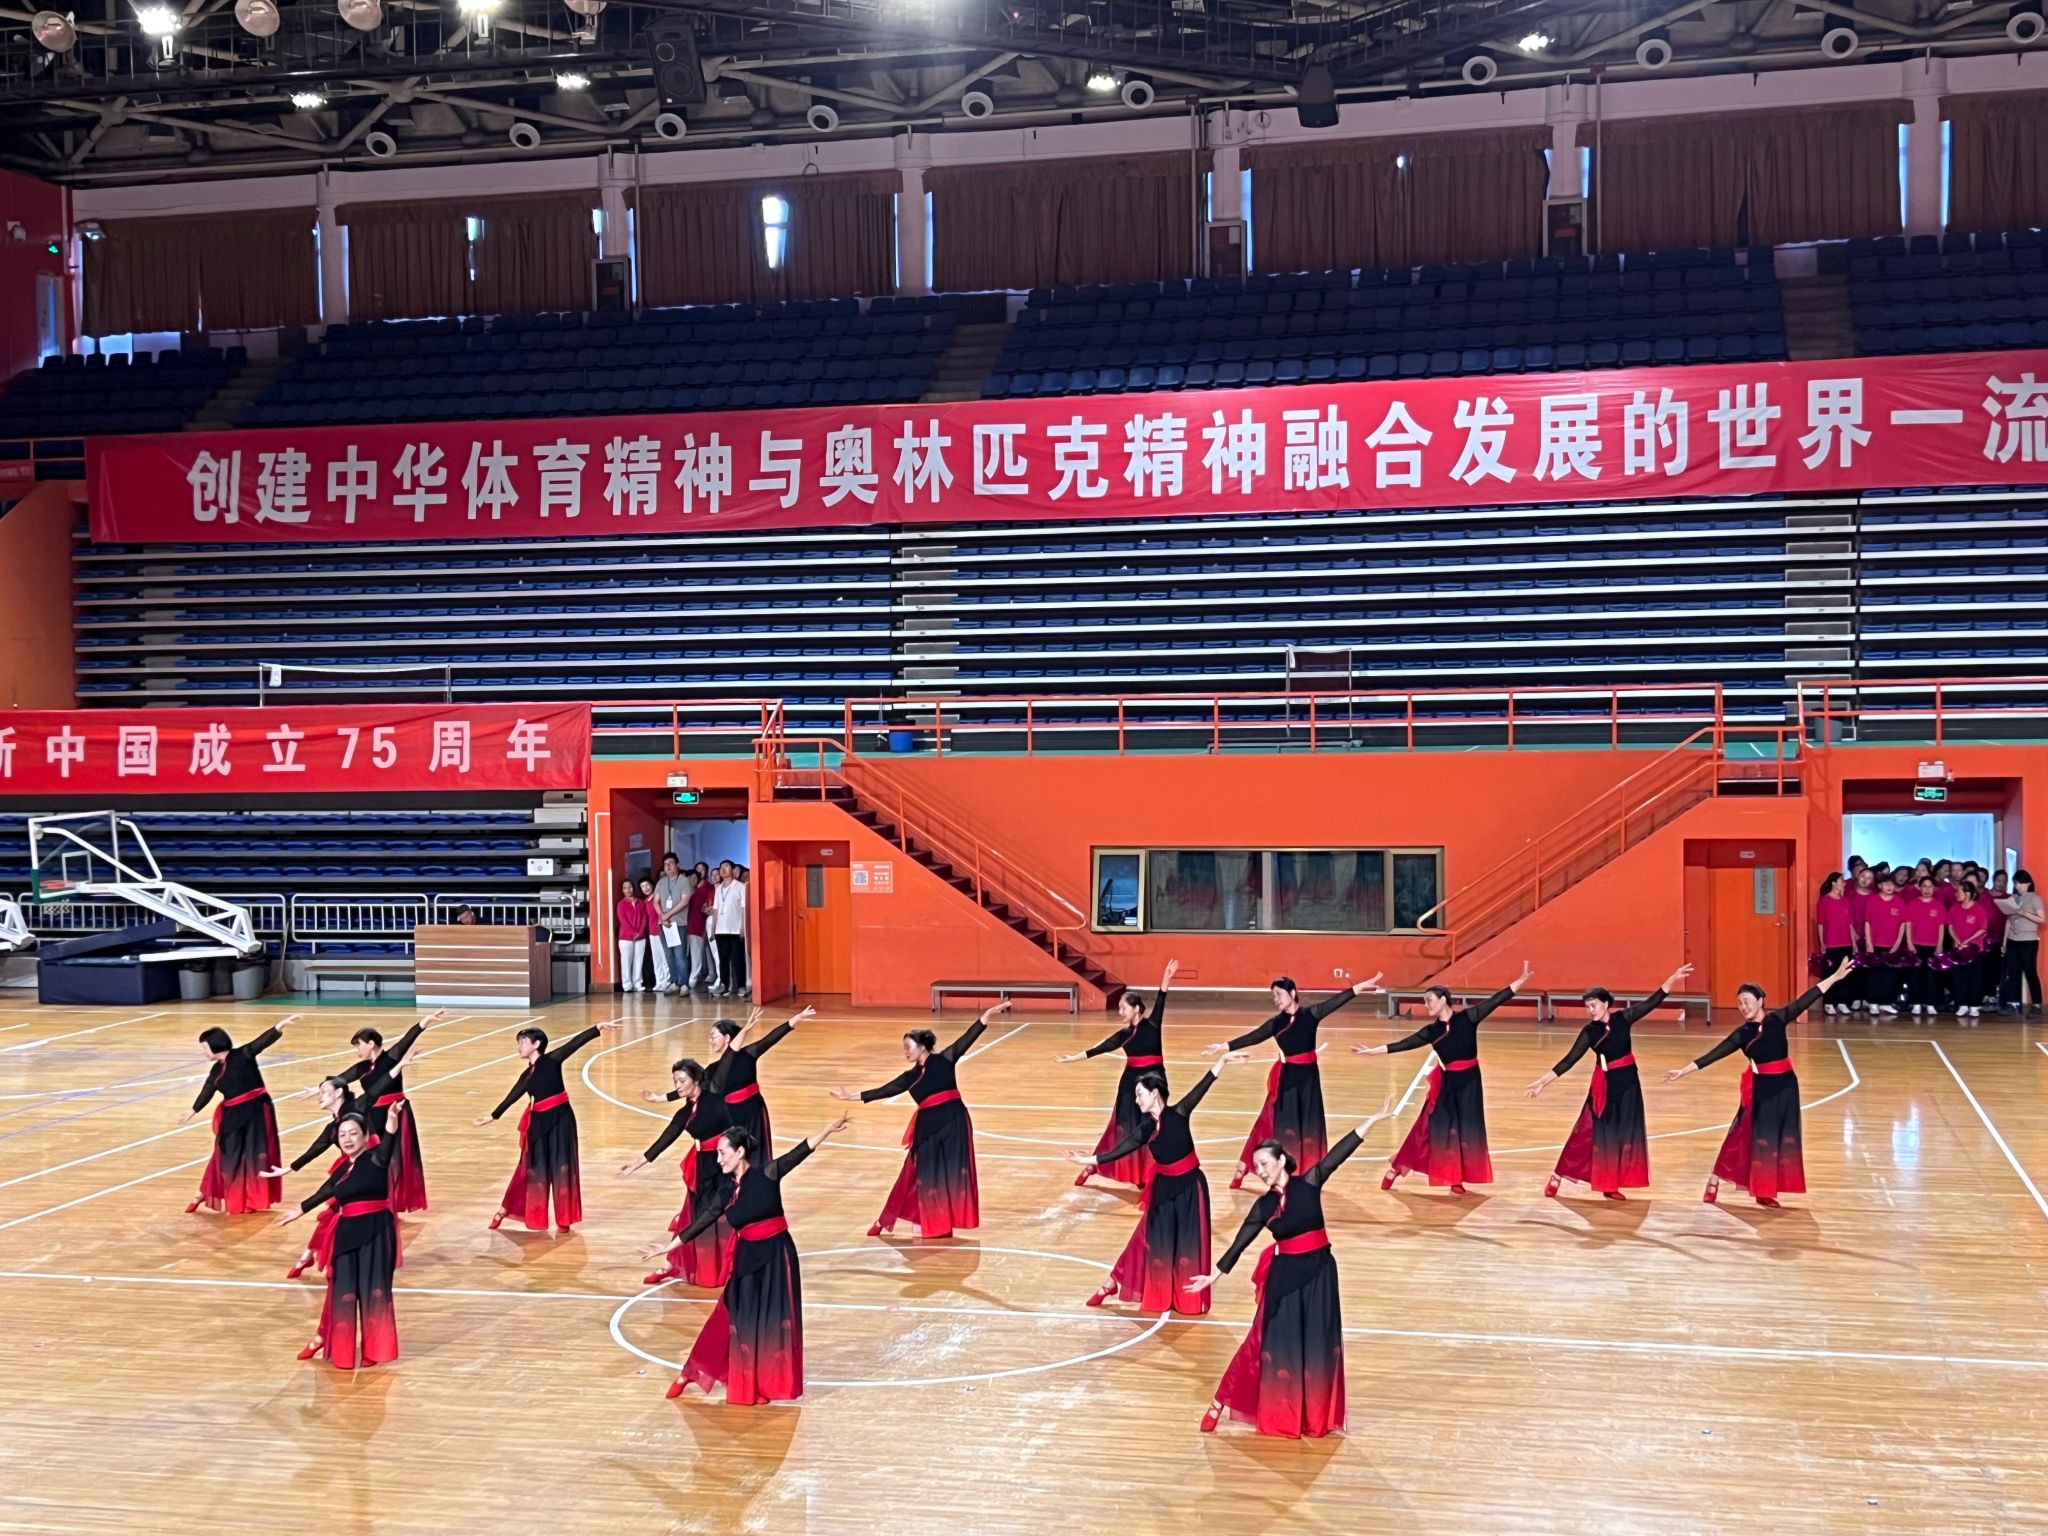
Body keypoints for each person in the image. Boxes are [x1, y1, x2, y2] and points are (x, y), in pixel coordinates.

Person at [1185, 1098, 1400, 1439]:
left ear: (1281, 1160)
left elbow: (1340, 1153)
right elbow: (1241, 1241)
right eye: (1255, 1166)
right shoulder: (1264, 1205)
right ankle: (1219, 1401)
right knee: (1262, 1342)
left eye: (1264, 1163)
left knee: (1315, 1343)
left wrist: (1373, 1119)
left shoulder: (1310, 1182)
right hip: (1284, 1279)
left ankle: (1310, 1414)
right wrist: (1215, 1274)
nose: (1260, 1170)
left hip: (1320, 1274)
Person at [647, 1115, 853, 1404]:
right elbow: (702, 1221)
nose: (718, 1159)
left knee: (768, 1322)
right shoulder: (725, 1192)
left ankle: (756, 1385)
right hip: (746, 1258)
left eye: (723, 1153)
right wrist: (669, 1246)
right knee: (732, 1319)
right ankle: (691, 1372)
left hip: (778, 1257)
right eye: (718, 1153)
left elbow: (800, 1151)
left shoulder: (767, 1174)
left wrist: (827, 1129)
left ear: (740, 1151)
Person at [1665, 954, 1855, 1207]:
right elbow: (1714, 1054)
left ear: (1760, 1001)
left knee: (1778, 1138)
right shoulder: (1742, 1034)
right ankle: (1716, 1178)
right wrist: (1683, 1071)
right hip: (1760, 1090)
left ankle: (1765, 1189)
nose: (1743, 1007)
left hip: (1786, 1087)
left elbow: (1808, 997)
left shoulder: (1778, 1019)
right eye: (1739, 1003)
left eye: (1746, 1001)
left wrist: (1836, 977)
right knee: (1748, 1136)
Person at [1066, 1051, 1243, 1315]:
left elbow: (1203, 1086)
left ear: (1155, 1093)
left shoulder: (1180, 1113)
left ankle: (1184, 1297)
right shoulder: (1146, 1128)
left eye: (1140, 1094)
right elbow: (1123, 1148)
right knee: (1146, 1239)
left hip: (1191, 1189)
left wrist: (1223, 1061)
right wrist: (1088, 1159)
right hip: (1163, 1190)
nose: (1137, 1100)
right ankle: (1112, 1283)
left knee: (1186, 1244)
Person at [833, 1001, 1009, 1239]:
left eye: (908, 1047)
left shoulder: (945, 1059)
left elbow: (966, 1039)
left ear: (923, 1047)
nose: (906, 1052)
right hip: (927, 1128)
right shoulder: (910, 1077)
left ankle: (940, 1221)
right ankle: (892, 1218)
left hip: (955, 1122)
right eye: (904, 1048)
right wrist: (853, 1096)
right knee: (919, 1173)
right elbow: (886, 1089)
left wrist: (985, 1017)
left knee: (952, 1172)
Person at [1356, 963, 1535, 1195]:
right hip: (1448, 1085)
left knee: (1464, 1131)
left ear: (1443, 1000)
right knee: (1428, 1129)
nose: (1426, 1005)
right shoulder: (1432, 1031)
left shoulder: (1468, 1017)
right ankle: (1396, 1168)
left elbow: (1496, 1000)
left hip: (1471, 1083)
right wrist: (1373, 1051)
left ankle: (1455, 1179)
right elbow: (1404, 1043)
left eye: (1429, 1000)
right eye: (1425, 1001)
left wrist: (1520, 981)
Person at [1202, 971, 1386, 1189]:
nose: (1276, 999)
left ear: (1292, 993)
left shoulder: (1311, 1014)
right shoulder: (1276, 1023)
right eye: (1273, 996)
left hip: (1309, 1081)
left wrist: (1360, 986)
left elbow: (1336, 1001)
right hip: (1287, 1080)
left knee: (1307, 1129)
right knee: (1277, 1127)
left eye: (1279, 994)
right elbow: (1254, 1036)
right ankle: (1245, 1167)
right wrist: (1224, 1046)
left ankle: (1303, 1173)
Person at [1526, 964, 1693, 1200]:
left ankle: (1610, 1184)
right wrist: (1544, 1081)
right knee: (1585, 1134)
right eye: (1587, 1007)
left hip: (1629, 1086)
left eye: (1593, 1005)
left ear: (1605, 1003)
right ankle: (1557, 1175)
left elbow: (1652, 1002)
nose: (1590, 1010)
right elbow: (1569, 1060)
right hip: (1603, 1088)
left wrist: (1672, 979)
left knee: (1622, 1136)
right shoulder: (1589, 1032)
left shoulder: (1623, 1019)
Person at [277, 1099, 407, 1369]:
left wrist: (392, 1118)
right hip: (346, 1233)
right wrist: (300, 1210)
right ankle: (341, 1348)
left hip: (376, 1232)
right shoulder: (343, 1168)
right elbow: (327, 1190)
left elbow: (389, 1140)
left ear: (365, 1136)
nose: (347, 1139)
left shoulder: (376, 1157)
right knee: (343, 1291)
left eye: (353, 1134)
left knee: (374, 1291)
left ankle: (374, 1349)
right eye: (343, 1134)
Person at [474, 1022, 619, 1234]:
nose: (519, 1047)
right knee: (532, 1170)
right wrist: (493, 1115)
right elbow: (514, 1094)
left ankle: (564, 1219)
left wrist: (597, 1028)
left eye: (522, 1042)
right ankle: (507, 1209)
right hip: (538, 1124)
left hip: (561, 1120)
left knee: (562, 1168)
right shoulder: (527, 1075)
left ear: (536, 1044)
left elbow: (573, 1044)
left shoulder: (551, 1060)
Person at [1058, 959, 1177, 1188]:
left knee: (1152, 1127)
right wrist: (1073, 1058)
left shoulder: (1153, 1025)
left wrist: (1166, 978)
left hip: (1155, 1083)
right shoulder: (1123, 1035)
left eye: (1123, 1007)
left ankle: (1145, 1174)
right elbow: (1100, 1048)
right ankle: (1094, 1165)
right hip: (1131, 1085)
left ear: (1136, 1009)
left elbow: (1161, 999)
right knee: (1123, 1128)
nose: (1120, 1011)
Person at [624, 1059, 735, 1287]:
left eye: (682, 1081)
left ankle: (729, 1266)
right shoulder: (685, 1112)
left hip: (724, 1164)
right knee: (694, 1215)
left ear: (696, 1080)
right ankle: (679, 1264)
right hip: (702, 1167)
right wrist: (638, 1163)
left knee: (724, 1215)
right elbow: (667, 1136)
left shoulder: (715, 1097)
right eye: (675, 1081)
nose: (677, 1085)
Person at [329, 1010, 441, 1214]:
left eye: (359, 1045)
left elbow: (408, 1039)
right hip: (373, 1116)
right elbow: (340, 1079)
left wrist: (424, 1021)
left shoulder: (391, 1058)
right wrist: (320, 1089)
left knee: (395, 1158)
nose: (357, 1050)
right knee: (370, 1157)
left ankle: (393, 1200)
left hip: (396, 1113)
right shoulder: (362, 1067)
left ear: (371, 1044)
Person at [179, 1017, 294, 1214]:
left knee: (254, 1155)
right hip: (232, 1116)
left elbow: (261, 1042)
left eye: (204, 1047)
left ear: (215, 1045)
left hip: (257, 1112)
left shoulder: (243, 1055)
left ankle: (249, 1199)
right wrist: (193, 1110)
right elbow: (208, 1090)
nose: (203, 1051)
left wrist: (278, 1027)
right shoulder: (216, 1070)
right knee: (226, 1155)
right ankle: (205, 1191)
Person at [272, 1074, 363, 1280]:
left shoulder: (355, 1113)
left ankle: (317, 1259)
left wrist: (302, 1209)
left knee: (341, 1216)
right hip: (350, 1169)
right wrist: (288, 1169)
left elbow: (376, 1086)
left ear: (338, 1093)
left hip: (364, 1172)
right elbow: (317, 1148)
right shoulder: (334, 1126)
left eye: (323, 1092)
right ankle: (308, 1256)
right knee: (334, 1214)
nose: (319, 1097)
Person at [704, 1006, 814, 1152]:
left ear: (727, 1038)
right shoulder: (711, 1070)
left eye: (713, 1036)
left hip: (755, 1112)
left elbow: (771, 1038)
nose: (710, 1040)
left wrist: (797, 1018)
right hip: (732, 1118)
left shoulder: (749, 1054)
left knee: (759, 1153)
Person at [1995, 869, 2043, 1017]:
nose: (2017, 886)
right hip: (2013, 940)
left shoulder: (2035, 899)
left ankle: (2037, 1004)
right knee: (2012, 972)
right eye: (2015, 883)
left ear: (2028, 883)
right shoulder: (2013, 898)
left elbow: (2042, 919)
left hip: (2028, 940)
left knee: (2030, 972)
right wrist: (2005, 942)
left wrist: (2024, 913)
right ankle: (2010, 1002)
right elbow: (2008, 922)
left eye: (2020, 883)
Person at [1861, 870, 1909, 1015]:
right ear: (1880, 886)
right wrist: (1869, 943)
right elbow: (1867, 923)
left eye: (1891, 884)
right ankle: (1873, 1003)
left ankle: (1886, 1002)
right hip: (1875, 945)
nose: (1889, 887)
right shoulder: (1873, 901)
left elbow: (1902, 924)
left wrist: (1897, 943)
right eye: (1886, 884)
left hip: (1892, 946)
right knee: (1874, 976)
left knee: (1890, 976)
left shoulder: (1899, 902)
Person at [1905, 873, 1951, 1016]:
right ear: (1919, 888)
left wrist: (1939, 945)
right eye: (1924, 886)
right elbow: (1908, 925)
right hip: (1916, 945)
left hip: (1933, 946)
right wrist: (1909, 943)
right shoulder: (1912, 904)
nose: (1927, 889)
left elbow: (1941, 927)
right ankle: (1916, 1003)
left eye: (1930, 886)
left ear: (1934, 889)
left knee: (1932, 976)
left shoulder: (1939, 905)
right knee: (1915, 975)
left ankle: (1931, 1003)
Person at [1814, 872, 1857, 1016]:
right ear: (1834, 883)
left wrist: (1854, 943)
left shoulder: (1845, 901)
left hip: (1846, 942)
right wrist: (1822, 942)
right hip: (1831, 943)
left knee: (1846, 974)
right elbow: (1821, 924)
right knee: (1831, 973)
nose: (1844, 883)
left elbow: (1850, 924)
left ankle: (1842, 1001)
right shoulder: (1824, 901)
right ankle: (1829, 1002)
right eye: (1841, 881)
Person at [1948, 882, 1990, 1023]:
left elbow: (1982, 929)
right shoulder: (1954, 908)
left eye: (1959, 892)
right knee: (1959, 977)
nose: (1956, 894)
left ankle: (1974, 1005)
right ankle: (1962, 1004)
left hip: (1974, 949)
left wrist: (1968, 940)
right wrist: (1957, 940)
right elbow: (1951, 926)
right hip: (1959, 949)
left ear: (1968, 893)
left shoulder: (1979, 909)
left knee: (1975, 978)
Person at [654, 853, 690, 995]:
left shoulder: (684, 881)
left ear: (677, 865)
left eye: (671, 863)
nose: (668, 866)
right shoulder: (661, 882)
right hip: (664, 924)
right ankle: (675, 982)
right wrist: (662, 917)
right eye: (665, 864)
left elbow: (684, 901)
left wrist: (667, 915)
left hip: (678, 923)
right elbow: (655, 902)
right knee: (669, 956)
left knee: (680, 955)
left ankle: (684, 983)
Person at [712, 860, 749, 998]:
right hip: (720, 930)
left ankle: (741, 986)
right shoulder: (718, 889)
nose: (723, 869)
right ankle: (724, 984)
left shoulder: (740, 887)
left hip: (735, 929)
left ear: (733, 870)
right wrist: (713, 928)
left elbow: (744, 908)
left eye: (726, 866)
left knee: (738, 959)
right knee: (723, 960)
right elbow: (715, 910)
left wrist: (743, 928)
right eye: (721, 867)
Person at [616, 877, 651, 993]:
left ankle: (637, 983)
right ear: (622, 890)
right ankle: (627, 984)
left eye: (630, 887)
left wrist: (640, 932)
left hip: (640, 938)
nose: (628, 890)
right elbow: (623, 921)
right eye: (625, 888)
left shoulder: (640, 903)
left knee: (638, 961)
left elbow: (644, 919)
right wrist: (633, 933)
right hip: (626, 938)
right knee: (626, 962)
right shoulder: (621, 904)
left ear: (633, 888)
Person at [639, 876, 672, 991]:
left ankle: (666, 981)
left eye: (647, 885)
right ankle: (659, 981)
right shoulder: (645, 901)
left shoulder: (659, 898)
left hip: (661, 931)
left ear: (652, 885)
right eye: (642, 887)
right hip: (651, 932)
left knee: (664, 958)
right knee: (656, 958)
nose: (645, 888)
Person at [685, 868, 717, 990]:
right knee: (684, 955)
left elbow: (706, 909)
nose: (692, 880)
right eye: (690, 878)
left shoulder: (702, 892)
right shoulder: (684, 893)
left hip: (697, 927)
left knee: (696, 955)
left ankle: (693, 980)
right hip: (684, 927)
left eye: (695, 878)